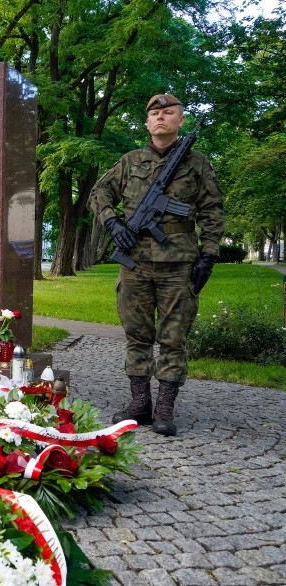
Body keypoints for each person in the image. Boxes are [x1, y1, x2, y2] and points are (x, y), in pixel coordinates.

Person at [89, 94, 224, 436]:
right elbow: (99, 194)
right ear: (147, 123)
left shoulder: (197, 163)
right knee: (137, 335)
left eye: (169, 113)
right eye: (155, 114)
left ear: (180, 121)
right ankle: (139, 403)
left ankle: (164, 407)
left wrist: (208, 255)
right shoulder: (130, 160)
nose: (161, 117)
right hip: (134, 263)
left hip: (178, 263)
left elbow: (212, 210)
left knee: (174, 337)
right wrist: (113, 223)